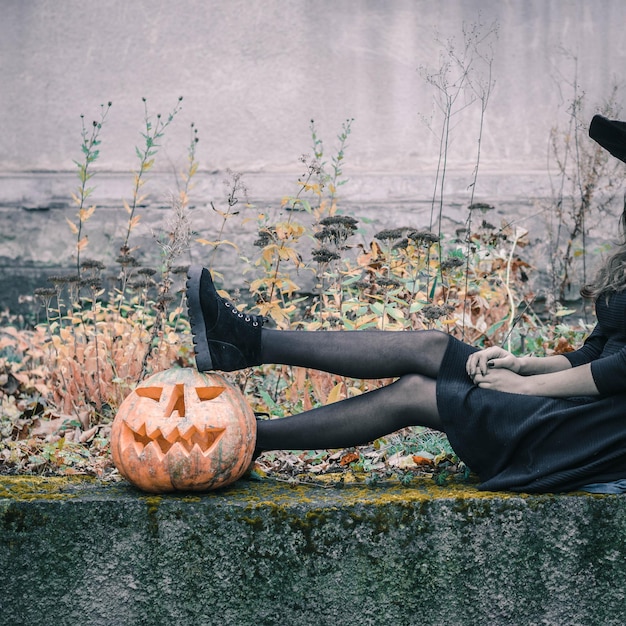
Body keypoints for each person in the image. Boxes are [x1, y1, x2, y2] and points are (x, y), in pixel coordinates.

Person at [186, 115, 626, 494]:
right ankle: (246, 343)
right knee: (433, 346)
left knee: (416, 391)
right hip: (576, 405)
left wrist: (525, 388)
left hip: (584, 434)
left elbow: (620, 370)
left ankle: (248, 439)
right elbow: (595, 352)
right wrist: (523, 366)